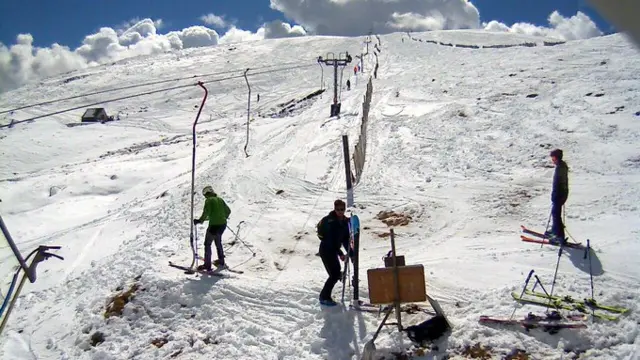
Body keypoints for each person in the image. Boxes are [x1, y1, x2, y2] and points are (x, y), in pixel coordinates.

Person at [316, 199, 350, 306]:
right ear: (334, 209)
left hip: (333, 250)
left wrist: (351, 253)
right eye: (338, 209)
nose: (340, 211)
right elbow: (330, 241)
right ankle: (324, 297)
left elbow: (345, 239)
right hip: (326, 250)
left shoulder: (344, 222)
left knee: (334, 273)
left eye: (342, 209)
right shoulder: (330, 222)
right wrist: (340, 253)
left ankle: (340, 276)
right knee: (334, 274)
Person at [193, 186, 231, 271]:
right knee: (218, 242)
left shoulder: (209, 200)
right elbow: (228, 211)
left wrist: (200, 220)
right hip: (223, 225)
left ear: (206, 194)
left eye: (205, 195)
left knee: (207, 244)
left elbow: (207, 212)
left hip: (214, 226)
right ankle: (221, 261)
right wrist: (222, 217)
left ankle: (207, 265)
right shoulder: (220, 199)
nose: (205, 197)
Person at [547, 149, 569, 244]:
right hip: (561, 194)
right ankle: (555, 230)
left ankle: (559, 236)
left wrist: (556, 195)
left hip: (559, 195)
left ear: (556, 157)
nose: (552, 160)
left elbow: (559, 184)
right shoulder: (561, 166)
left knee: (556, 215)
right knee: (555, 213)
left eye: (553, 158)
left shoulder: (560, 168)